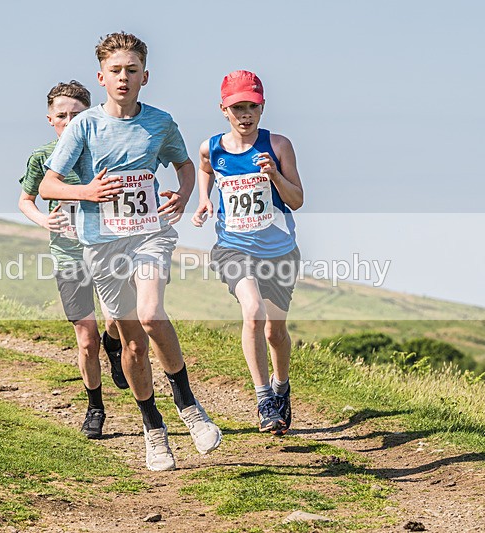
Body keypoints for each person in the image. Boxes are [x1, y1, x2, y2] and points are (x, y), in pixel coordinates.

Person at [39, 32, 222, 471]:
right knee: (134, 347)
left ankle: (189, 405)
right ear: (102, 77)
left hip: (150, 234)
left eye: (132, 70)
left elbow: (183, 163)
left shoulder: (160, 123)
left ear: (145, 76)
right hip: (101, 244)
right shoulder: (84, 125)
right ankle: (152, 428)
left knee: (150, 313)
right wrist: (88, 191)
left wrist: (182, 192)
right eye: (116, 71)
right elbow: (49, 184)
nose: (124, 78)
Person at [192, 70, 304, 436]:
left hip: (280, 251)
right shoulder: (213, 147)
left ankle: (281, 387)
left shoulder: (279, 145)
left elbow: (297, 200)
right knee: (252, 311)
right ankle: (263, 399)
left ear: (262, 107)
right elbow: (206, 169)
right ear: (223, 108)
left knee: (275, 332)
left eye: (251, 107)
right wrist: (204, 200)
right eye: (237, 107)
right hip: (233, 248)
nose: (245, 115)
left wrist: (274, 175)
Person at [18, 80, 128, 440]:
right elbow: (26, 200)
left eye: (76, 115)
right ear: (50, 119)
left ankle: (114, 345)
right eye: (61, 115)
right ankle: (95, 408)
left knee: (116, 321)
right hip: (68, 255)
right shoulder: (42, 157)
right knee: (85, 339)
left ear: (89, 115)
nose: (68, 121)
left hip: (109, 250)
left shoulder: (104, 152)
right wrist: (44, 219)